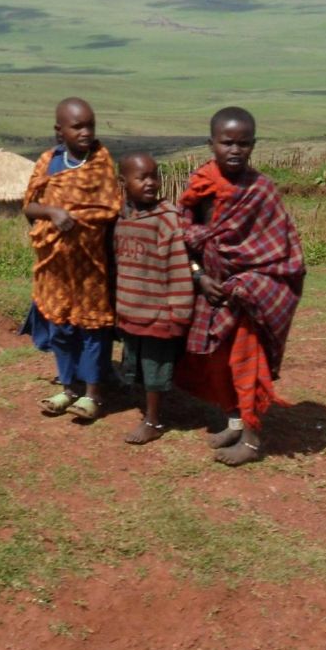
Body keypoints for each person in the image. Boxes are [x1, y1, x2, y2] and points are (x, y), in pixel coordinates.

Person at [176, 107, 305, 465]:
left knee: (246, 364)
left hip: (249, 295)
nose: (235, 150)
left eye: (243, 144)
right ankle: (234, 422)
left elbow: (283, 255)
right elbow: (184, 237)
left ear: (253, 145)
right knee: (219, 365)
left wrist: (244, 284)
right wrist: (199, 277)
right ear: (211, 143)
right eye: (227, 143)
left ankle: (251, 439)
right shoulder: (201, 184)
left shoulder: (261, 191)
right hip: (211, 291)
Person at [21, 97, 121, 421]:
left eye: (90, 125)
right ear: (59, 131)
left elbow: (109, 208)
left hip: (91, 264)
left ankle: (93, 394)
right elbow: (29, 206)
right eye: (77, 126)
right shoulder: (48, 162)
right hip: (55, 265)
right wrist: (53, 212)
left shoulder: (101, 162)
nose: (85, 132)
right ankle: (68, 387)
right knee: (60, 326)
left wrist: (82, 220)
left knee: (92, 326)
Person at [114, 152, 195, 445]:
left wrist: (179, 312)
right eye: (142, 177)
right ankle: (150, 408)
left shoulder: (166, 220)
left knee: (154, 368)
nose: (151, 183)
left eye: (155, 176)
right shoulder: (121, 218)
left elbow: (178, 268)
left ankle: (153, 420)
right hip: (131, 307)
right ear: (123, 182)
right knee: (137, 363)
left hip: (158, 312)